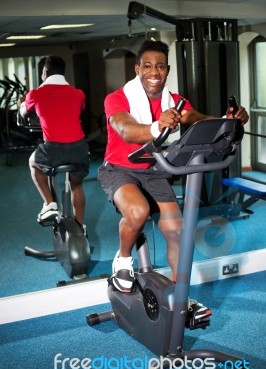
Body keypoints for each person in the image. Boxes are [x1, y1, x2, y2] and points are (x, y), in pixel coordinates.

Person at [98, 39, 249, 319]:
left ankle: (181, 300)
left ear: (167, 70)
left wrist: (228, 120)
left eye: (160, 66)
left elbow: (197, 119)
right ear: (137, 68)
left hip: (156, 169)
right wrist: (157, 126)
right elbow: (126, 129)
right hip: (119, 169)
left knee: (177, 232)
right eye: (147, 66)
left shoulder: (175, 102)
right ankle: (122, 259)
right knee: (137, 211)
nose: (154, 72)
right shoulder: (117, 98)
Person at [18, 55, 90, 231]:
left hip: (52, 151)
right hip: (79, 150)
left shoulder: (35, 94)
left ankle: (50, 204)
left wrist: (22, 104)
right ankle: (80, 228)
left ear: (45, 72)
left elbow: (24, 114)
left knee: (33, 163)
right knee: (76, 184)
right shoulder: (78, 93)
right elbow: (77, 110)